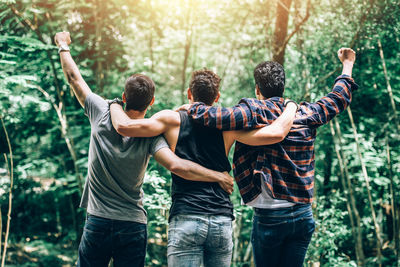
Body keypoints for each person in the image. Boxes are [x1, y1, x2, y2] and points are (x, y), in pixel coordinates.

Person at [54, 31, 236, 267]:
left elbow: (73, 77)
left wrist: (62, 45)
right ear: (151, 103)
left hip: (98, 220)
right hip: (132, 224)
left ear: (123, 96)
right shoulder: (152, 136)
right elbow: (176, 165)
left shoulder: (100, 110)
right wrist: (217, 176)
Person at [185, 48, 358, 267]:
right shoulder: (305, 113)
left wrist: (193, 106)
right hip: (303, 216)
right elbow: (338, 98)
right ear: (282, 88)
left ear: (257, 89)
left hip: (270, 218)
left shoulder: (254, 110)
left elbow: (214, 116)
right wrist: (347, 64)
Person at [110, 69, 298, 266]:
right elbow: (273, 134)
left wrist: (114, 104)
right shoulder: (229, 125)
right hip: (221, 219)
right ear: (216, 97)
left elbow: (126, 127)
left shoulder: (171, 119)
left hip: (186, 217)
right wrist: (291, 108)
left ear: (189, 93)